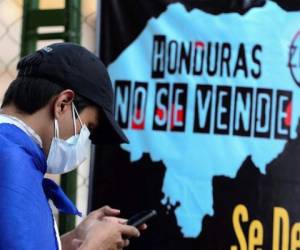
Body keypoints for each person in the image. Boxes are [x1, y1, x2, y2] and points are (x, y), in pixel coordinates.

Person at [0, 43, 144, 250]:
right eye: (89, 128)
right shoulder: (12, 164)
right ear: (63, 104)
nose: (84, 140)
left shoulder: (11, 152)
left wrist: (69, 241)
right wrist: (95, 246)